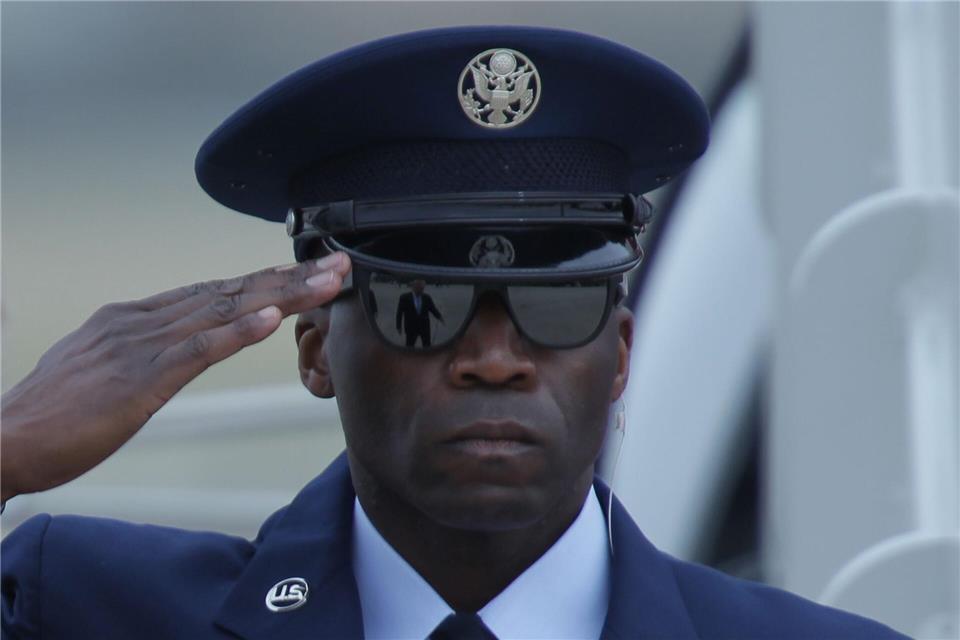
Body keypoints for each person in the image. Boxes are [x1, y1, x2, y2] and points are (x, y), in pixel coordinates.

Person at [0, 26, 906, 640]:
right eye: (421, 306)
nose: (494, 359)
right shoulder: (78, 605)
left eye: (557, 303)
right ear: (316, 349)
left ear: (622, 352)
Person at [395, 280, 444, 348]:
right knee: (409, 346)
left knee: (427, 346)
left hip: (424, 327)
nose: (421, 290)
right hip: (410, 327)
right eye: (419, 288)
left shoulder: (427, 297)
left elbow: (433, 309)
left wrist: (439, 317)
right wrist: (398, 326)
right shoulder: (404, 298)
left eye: (422, 288)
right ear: (413, 288)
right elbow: (399, 312)